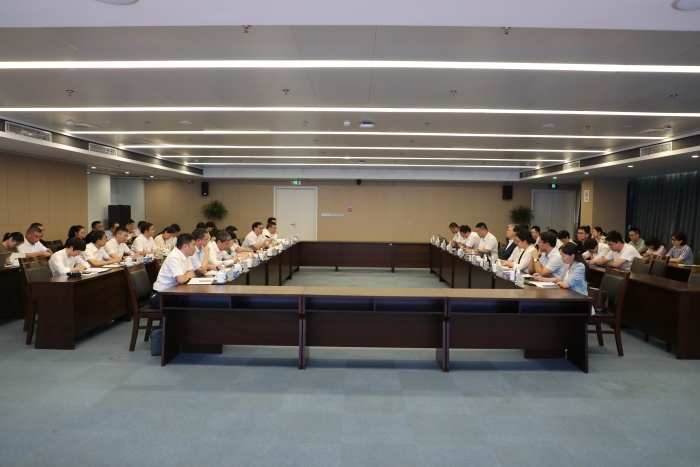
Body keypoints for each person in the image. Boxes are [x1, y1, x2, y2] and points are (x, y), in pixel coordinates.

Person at [151, 233, 197, 306]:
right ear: (185, 246)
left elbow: (191, 273)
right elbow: (181, 279)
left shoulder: (186, 255)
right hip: (160, 295)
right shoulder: (174, 256)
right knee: (192, 302)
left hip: (174, 291)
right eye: (193, 245)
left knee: (195, 300)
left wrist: (186, 276)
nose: (195, 248)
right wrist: (187, 276)